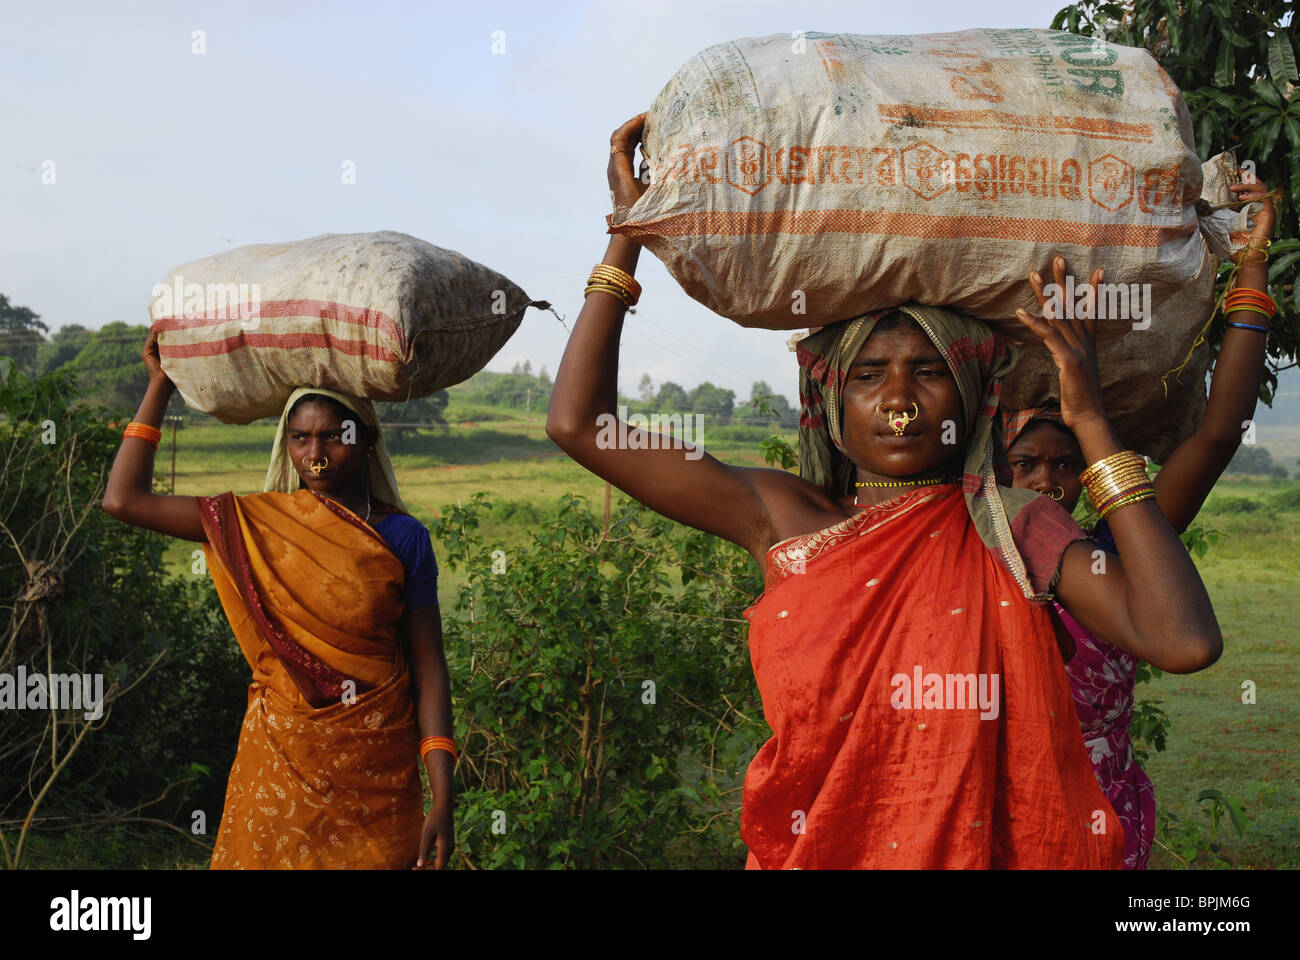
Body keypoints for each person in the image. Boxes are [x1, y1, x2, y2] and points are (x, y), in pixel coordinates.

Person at [543, 112, 1224, 869]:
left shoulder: (1016, 526)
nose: (899, 399)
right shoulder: (782, 517)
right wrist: (628, 232)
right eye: (869, 376)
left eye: (929, 373)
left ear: (969, 401)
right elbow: (580, 424)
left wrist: (1089, 420)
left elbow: (1182, 640)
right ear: (833, 407)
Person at [1002, 177, 1277, 869]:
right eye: (1026, 465)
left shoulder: (1113, 556)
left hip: (1102, 833)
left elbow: (1217, 435)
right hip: (996, 831)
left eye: (1068, 465)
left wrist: (1251, 268)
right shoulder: (966, 559)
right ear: (994, 474)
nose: (1048, 484)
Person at [102, 333, 455, 869]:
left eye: (334, 437)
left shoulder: (403, 537)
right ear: (286, 445)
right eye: (300, 438)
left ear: (367, 440)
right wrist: (159, 389)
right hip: (281, 761)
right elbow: (123, 499)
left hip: (377, 777)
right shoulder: (256, 523)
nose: (315, 455)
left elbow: (429, 668)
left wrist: (443, 795)